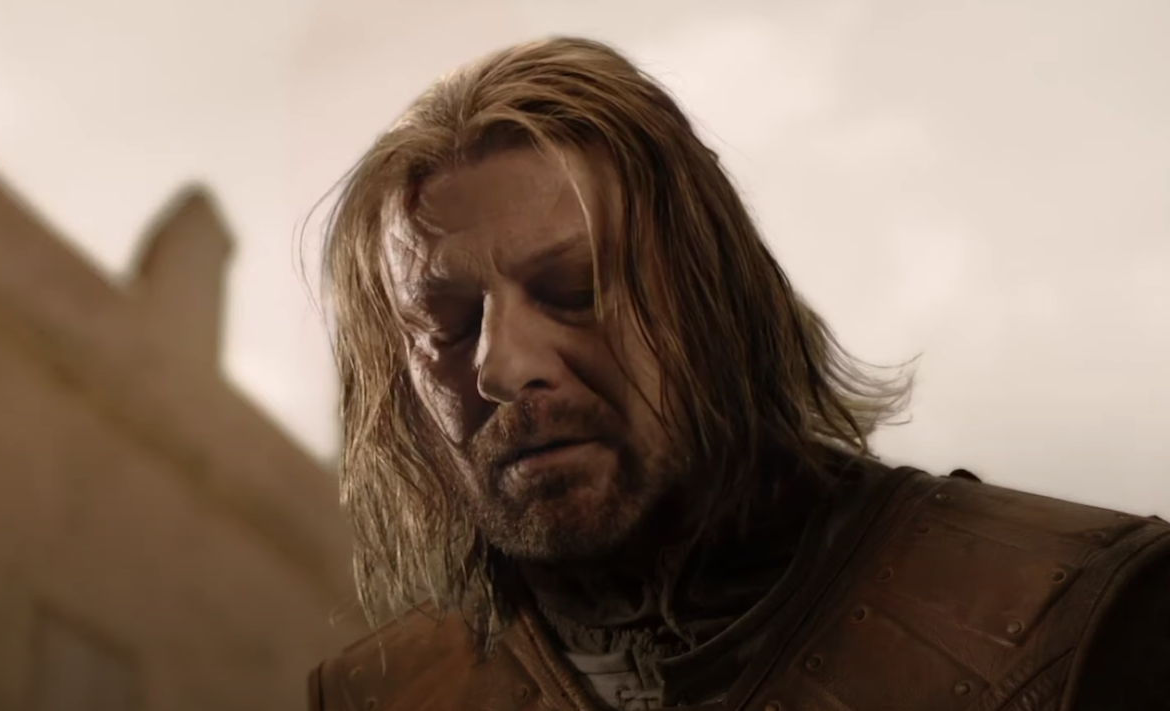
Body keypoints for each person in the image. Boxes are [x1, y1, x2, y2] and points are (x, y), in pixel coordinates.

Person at [307, 37, 1170, 711]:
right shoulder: (375, 696)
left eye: (577, 289)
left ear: (714, 297)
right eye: (446, 325)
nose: (504, 364)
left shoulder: (1088, 621)